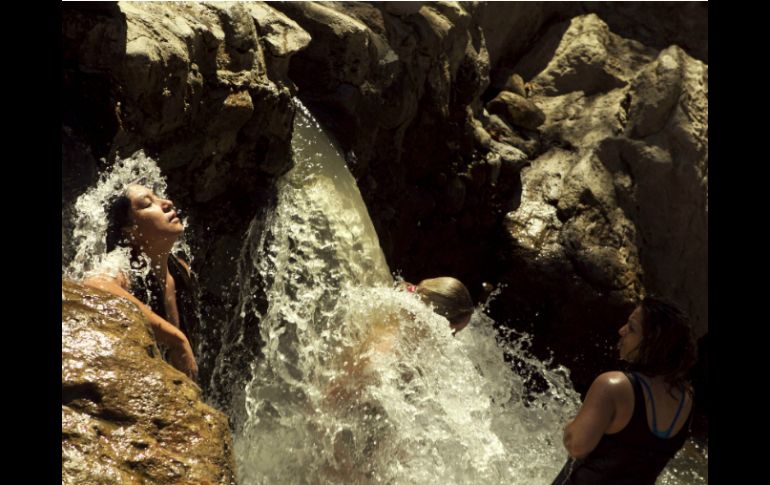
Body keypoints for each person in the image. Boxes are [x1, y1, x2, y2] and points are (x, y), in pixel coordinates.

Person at [553, 296, 697, 484]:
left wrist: (569, 425)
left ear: (653, 342)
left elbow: (576, 446)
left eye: (632, 328)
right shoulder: (686, 399)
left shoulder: (613, 385)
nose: (621, 331)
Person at [83, 183, 199, 380]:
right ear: (129, 230)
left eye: (158, 197)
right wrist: (176, 339)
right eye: (147, 203)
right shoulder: (124, 267)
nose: (167, 203)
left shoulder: (180, 269)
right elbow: (94, 286)